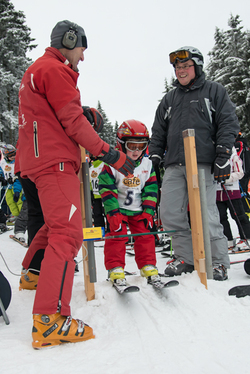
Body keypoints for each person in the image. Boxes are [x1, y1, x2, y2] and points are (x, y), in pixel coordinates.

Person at [15, 20, 135, 349]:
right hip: (54, 162)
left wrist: (81, 114)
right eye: (82, 47)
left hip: (39, 159)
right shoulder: (54, 69)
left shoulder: (40, 70)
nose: (83, 56)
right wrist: (114, 156)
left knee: (57, 226)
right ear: (69, 41)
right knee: (68, 234)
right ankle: (50, 319)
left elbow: (55, 113)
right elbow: (71, 120)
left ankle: (33, 274)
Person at [149, 46, 240, 281]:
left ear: (197, 68)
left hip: (202, 163)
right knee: (169, 212)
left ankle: (218, 262)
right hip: (174, 165)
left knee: (206, 214)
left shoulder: (214, 91)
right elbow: (158, 131)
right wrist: (155, 156)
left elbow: (228, 123)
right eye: (177, 67)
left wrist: (222, 156)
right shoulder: (170, 99)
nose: (180, 71)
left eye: (185, 66)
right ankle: (185, 257)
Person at [99, 120, 159, 286]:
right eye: (132, 146)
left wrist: (149, 210)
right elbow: (107, 189)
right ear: (121, 144)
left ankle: (147, 264)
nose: (136, 151)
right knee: (116, 236)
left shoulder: (147, 165)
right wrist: (112, 213)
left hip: (139, 210)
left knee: (145, 236)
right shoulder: (112, 165)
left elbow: (151, 188)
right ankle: (115, 267)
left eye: (141, 146)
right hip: (119, 210)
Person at [216, 146, 250, 250]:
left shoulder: (234, 156)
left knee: (238, 215)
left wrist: (227, 179)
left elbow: (240, 173)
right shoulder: (215, 156)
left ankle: (246, 238)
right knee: (221, 217)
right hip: (217, 192)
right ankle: (228, 239)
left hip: (232, 191)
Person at [235, 132, 250, 217]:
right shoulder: (244, 144)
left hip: (243, 173)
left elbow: (238, 157)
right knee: (243, 192)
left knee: (243, 193)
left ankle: (247, 212)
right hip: (245, 172)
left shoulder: (239, 144)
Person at [89, 157, 106, 229]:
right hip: (96, 196)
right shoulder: (90, 168)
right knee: (97, 214)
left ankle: (110, 230)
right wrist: (91, 194)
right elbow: (90, 183)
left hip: (104, 195)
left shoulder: (103, 165)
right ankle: (99, 231)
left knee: (107, 214)